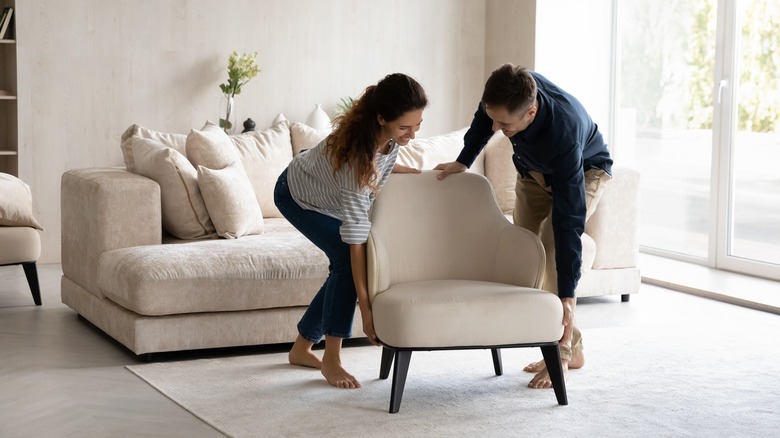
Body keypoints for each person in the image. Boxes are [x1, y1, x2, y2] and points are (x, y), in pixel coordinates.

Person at [435, 64, 613, 389]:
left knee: (552, 247)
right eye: (494, 118)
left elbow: (568, 224)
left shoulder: (565, 134)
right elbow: (483, 121)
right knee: (526, 253)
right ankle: (573, 347)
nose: (496, 126)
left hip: (583, 171)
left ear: (531, 112)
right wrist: (464, 159)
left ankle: (561, 353)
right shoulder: (507, 91)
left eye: (505, 123)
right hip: (532, 171)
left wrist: (569, 296)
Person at [274, 73, 427, 389]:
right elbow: (355, 236)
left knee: (350, 259)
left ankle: (301, 348)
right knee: (346, 258)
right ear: (381, 118)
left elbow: (378, 162)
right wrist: (367, 310)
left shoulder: (390, 139)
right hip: (296, 194)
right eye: (405, 127)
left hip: (328, 194)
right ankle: (331, 359)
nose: (412, 135)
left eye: (418, 125)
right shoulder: (356, 160)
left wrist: (401, 169)